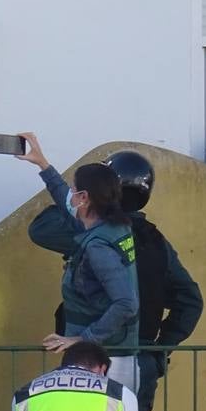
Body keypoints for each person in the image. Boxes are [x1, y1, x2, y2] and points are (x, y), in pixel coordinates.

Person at [29, 149, 203, 411]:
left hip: (102, 359)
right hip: (139, 361)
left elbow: (40, 229)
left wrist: (84, 337)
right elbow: (191, 300)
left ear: (94, 195)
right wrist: (158, 348)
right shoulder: (149, 239)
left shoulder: (96, 238)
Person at [18, 133, 139, 376]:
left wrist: (81, 339)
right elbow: (67, 202)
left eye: (74, 190)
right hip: (108, 354)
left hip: (103, 362)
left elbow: (127, 303)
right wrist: (43, 165)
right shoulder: (113, 226)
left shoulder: (98, 246)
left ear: (84, 198)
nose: (70, 196)